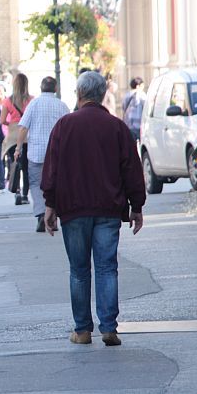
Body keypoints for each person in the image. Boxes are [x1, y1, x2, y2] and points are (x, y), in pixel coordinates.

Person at [41, 71, 146, 347]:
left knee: (79, 270)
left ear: (79, 94)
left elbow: (51, 170)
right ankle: (109, 327)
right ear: (102, 95)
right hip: (108, 208)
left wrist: (49, 205)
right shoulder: (117, 127)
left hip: (73, 208)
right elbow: (132, 169)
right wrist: (137, 205)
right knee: (107, 267)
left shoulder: (64, 126)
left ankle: (83, 330)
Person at [15, 76, 71, 232]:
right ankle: (54, 215)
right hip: (57, 153)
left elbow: (23, 128)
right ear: (56, 89)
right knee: (57, 184)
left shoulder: (33, 104)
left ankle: (41, 213)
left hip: (36, 153)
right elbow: (68, 130)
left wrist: (18, 148)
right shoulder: (62, 106)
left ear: (41, 88)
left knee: (35, 184)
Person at [0, 73, 32, 205]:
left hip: (13, 136)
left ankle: (17, 191)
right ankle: (25, 195)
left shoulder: (8, 101)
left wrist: (12, 124)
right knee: (26, 166)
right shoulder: (31, 100)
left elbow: (2, 120)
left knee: (15, 164)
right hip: (27, 135)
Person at [122, 77, 146, 142]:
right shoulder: (142, 95)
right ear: (138, 86)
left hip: (128, 124)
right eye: (142, 85)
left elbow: (124, 107)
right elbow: (146, 108)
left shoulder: (126, 95)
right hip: (139, 124)